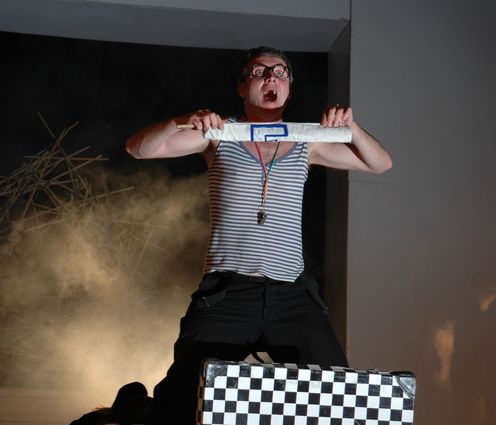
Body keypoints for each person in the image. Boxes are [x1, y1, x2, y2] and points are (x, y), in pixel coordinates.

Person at [125, 46, 392, 425]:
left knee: (339, 391)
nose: (271, 78)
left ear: (289, 89)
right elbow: (138, 149)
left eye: (280, 72)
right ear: (242, 87)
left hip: (291, 296)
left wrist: (352, 129)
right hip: (228, 293)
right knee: (182, 398)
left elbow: (381, 164)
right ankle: (132, 408)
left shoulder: (307, 141)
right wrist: (184, 121)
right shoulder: (220, 135)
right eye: (259, 71)